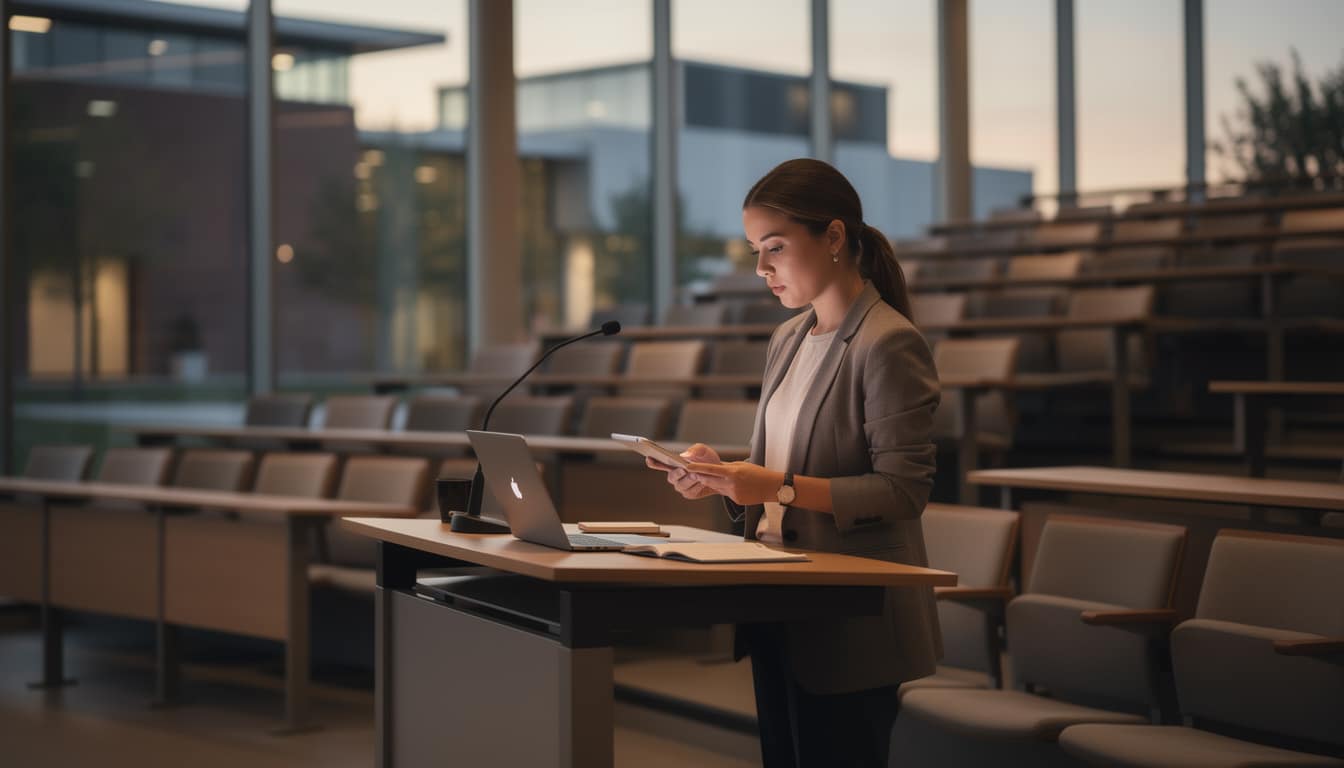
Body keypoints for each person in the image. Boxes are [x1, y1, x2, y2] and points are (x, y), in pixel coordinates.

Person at [648, 158, 941, 767]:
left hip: (851, 613)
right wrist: (726, 478)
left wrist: (772, 486)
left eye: (775, 248)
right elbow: (784, 466)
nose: (761, 269)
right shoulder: (787, 338)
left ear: (834, 238)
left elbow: (900, 491)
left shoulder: (888, 342)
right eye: (755, 250)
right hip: (780, 597)